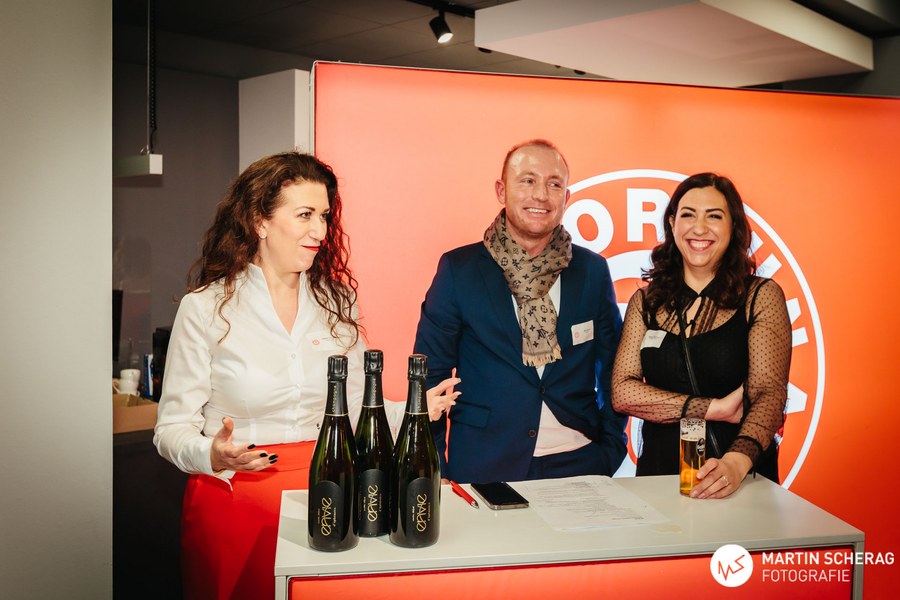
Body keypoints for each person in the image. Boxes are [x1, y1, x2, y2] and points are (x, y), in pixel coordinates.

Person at [153, 152, 459, 600]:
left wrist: (414, 410)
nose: (319, 230)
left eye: (324, 216)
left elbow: (356, 410)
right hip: (236, 500)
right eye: (304, 215)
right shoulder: (205, 308)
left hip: (330, 493)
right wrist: (211, 453)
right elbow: (170, 430)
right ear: (259, 221)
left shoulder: (339, 302)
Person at [414, 139, 627, 484]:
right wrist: (435, 467)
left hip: (581, 461)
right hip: (485, 463)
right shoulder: (459, 270)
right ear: (502, 190)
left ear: (566, 197)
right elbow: (430, 374)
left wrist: (611, 447)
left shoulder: (591, 270)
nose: (541, 195)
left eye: (553, 184)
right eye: (528, 181)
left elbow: (615, 368)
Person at [611, 172, 791, 499]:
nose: (699, 228)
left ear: (734, 227)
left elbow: (768, 392)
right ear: (672, 224)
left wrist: (736, 463)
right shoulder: (646, 302)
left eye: (714, 216)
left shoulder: (760, 296)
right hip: (659, 473)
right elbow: (623, 393)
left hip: (736, 475)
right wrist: (713, 408)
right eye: (688, 215)